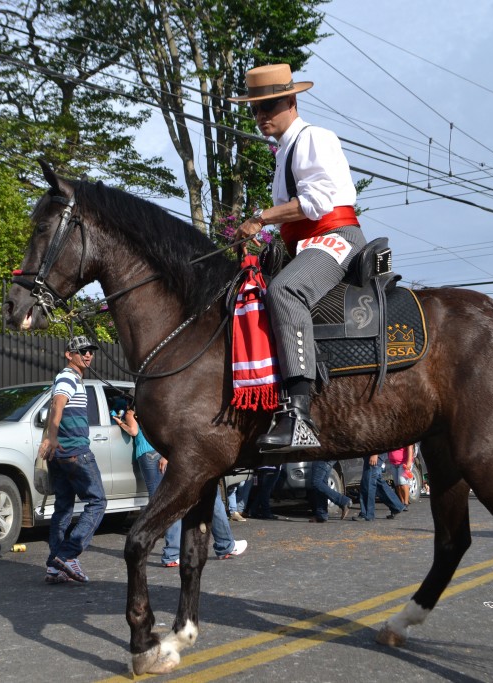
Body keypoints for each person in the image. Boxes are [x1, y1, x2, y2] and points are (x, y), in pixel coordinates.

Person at [231, 63, 365, 453]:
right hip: (309, 244)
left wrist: (260, 218)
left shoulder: (313, 138)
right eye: (255, 109)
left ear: (291, 101)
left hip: (337, 238)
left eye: (269, 106)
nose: (261, 116)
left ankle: (300, 415)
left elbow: (317, 202)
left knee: (285, 291)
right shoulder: (284, 151)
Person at [114, 407, 246, 565]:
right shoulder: (165, 408)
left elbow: (134, 431)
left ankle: (172, 554)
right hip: (174, 452)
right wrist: (168, 454)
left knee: (164, 503)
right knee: (205, 496)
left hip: (148, 455)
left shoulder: (135, 412)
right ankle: (223, 545)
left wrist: (120, 423)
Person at [39, 335, 108, 584]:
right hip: (76, 452)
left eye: (90, 351)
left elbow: (53, 409)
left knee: (63, 507)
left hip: (61, 454)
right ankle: (68, 555)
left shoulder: (71, 378)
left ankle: (54, 566)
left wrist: (50, 439)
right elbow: (57, 405)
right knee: (98, 502)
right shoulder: (68, 377)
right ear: (69, 355)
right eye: (82, 351)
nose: (88, 355)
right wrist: (52, 437)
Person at [353, 453, 405, 522]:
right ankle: (396, 506)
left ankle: (367, 514)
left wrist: (374, 454)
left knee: (368, 482)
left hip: (374, 454)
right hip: (371, 454)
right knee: (376, 482)